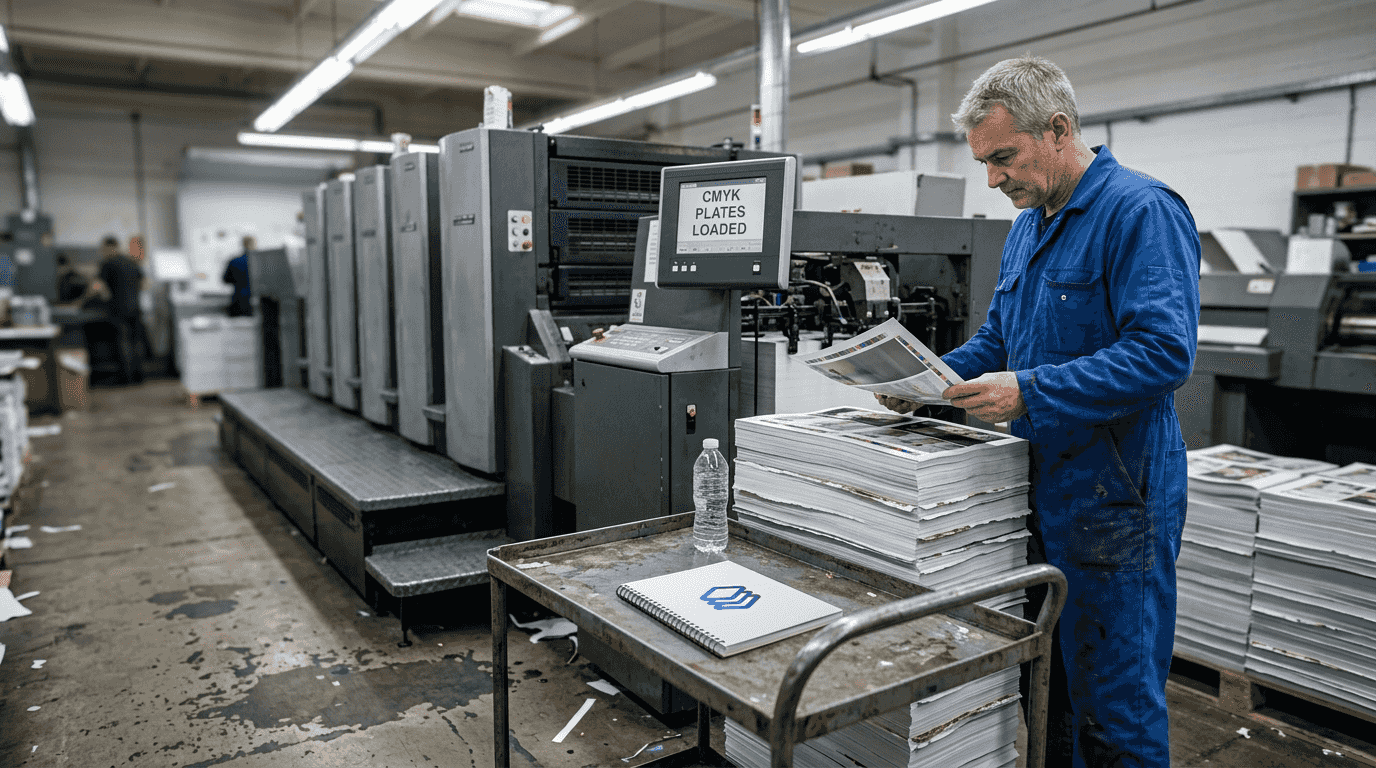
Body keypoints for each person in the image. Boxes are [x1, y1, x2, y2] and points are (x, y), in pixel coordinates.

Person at [876, 56, 1200, 767]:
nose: (993, 180)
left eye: (1003, 158)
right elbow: (999, 338)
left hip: (1116, 503)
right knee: (1044, 690)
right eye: (984, 163)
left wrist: (1030, 391)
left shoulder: (1140, 212)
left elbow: (1163, 353)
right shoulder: (1029, 224)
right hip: (1034, 493)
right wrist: (926, 379)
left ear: (1057, 129)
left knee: (1113, 707)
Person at [97, 234, 146, 384]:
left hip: (118, 309)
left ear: (108, 248)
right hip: (135, 307)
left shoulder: (108, 263)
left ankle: (126, 377)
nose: (103, 252)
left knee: (122, 341)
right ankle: (139, 375)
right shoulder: (131, 262)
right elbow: (144, 282)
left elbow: (98, 287)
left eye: (103, 249)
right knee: (136, 341)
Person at [223, 235, 254, 317]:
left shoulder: (234, 261)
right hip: (254, 302)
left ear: (243, 245)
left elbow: (225, 279)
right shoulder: (260, 263)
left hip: (238, 300)